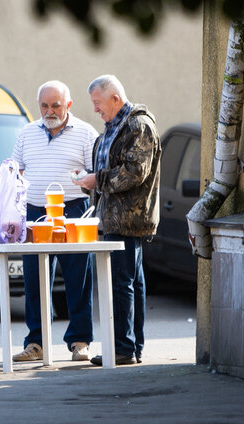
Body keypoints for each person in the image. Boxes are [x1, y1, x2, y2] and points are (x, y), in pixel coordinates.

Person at [75, 74, 161, 366]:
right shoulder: (113, 128)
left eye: (98, 103)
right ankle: (130, 348)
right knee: (129, 283)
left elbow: (135, 172)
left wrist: (95, 180)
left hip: (128, 220)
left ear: (115, 98)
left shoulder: (138, 126)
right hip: (113, 219)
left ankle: (123, 349)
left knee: (122, 284)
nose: (96, 109)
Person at [11, 80, 99, 364]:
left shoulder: (86, 133)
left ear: (69, 105)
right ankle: (36, 343)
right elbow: (16, 171)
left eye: (56, 106)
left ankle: (80, 342)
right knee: (34, 279)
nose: (50, 111)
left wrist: (83, 178)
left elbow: (96, 175)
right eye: (45, 106)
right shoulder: (26, 133)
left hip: (74, 210)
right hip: (34, 211)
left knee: (78, 279)